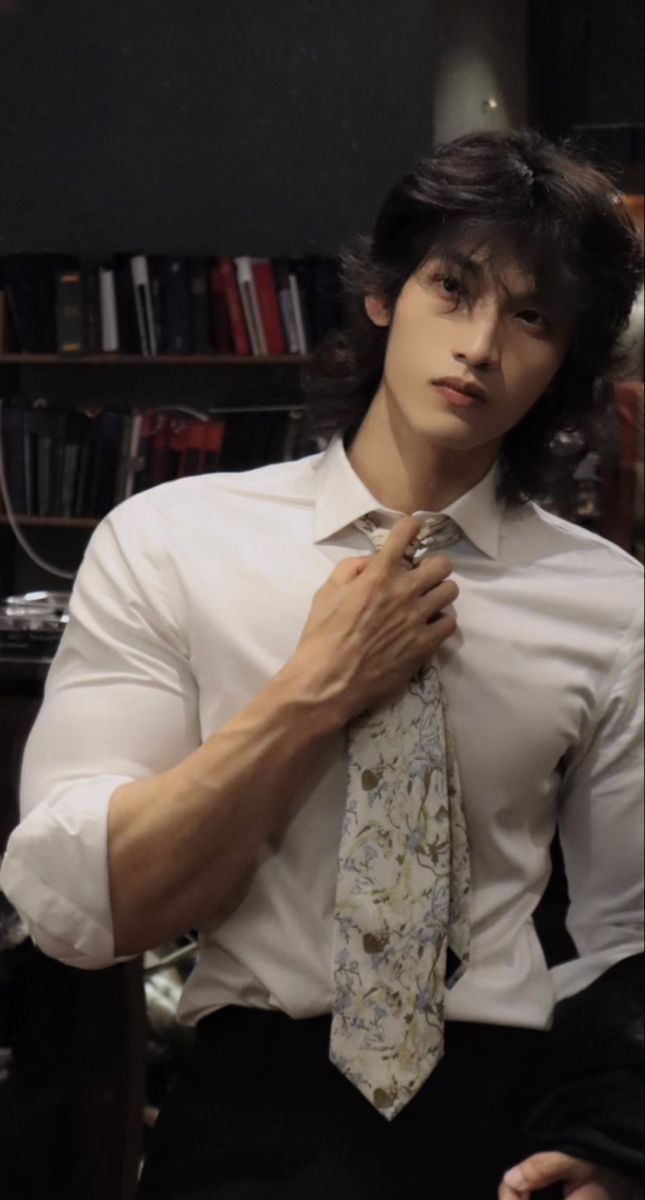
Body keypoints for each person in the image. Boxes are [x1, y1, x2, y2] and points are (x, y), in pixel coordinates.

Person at [1, 128, 643, 1200]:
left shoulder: (612, 602)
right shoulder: (173, 541)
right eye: (455, 287)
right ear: (386, 295)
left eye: (530, 316)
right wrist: (316, 692)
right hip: (251, 1114)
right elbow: (78, 905)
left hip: (497, 1128)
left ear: (564, 359)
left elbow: (629, 929)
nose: (481, 345)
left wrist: (619, 1139)